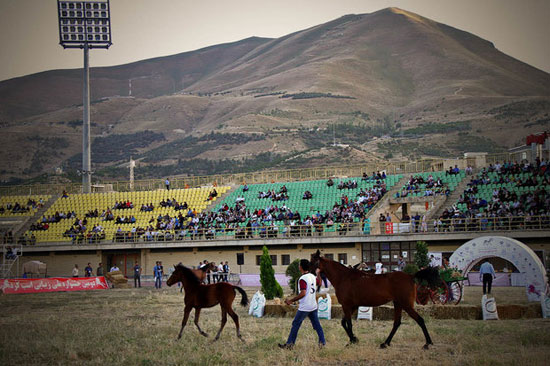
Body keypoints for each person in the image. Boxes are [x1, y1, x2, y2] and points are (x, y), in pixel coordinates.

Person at [278, 259, 326, 349]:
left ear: (300, 267)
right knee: (317, 325)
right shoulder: (312, 276)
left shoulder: (302, 279)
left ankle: (289, 344)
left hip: (305, 307)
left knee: (295, 324)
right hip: (313, 306)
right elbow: (319, 282)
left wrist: (291, 301)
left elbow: (303, 293)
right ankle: (322, 342)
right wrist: (318, 273)